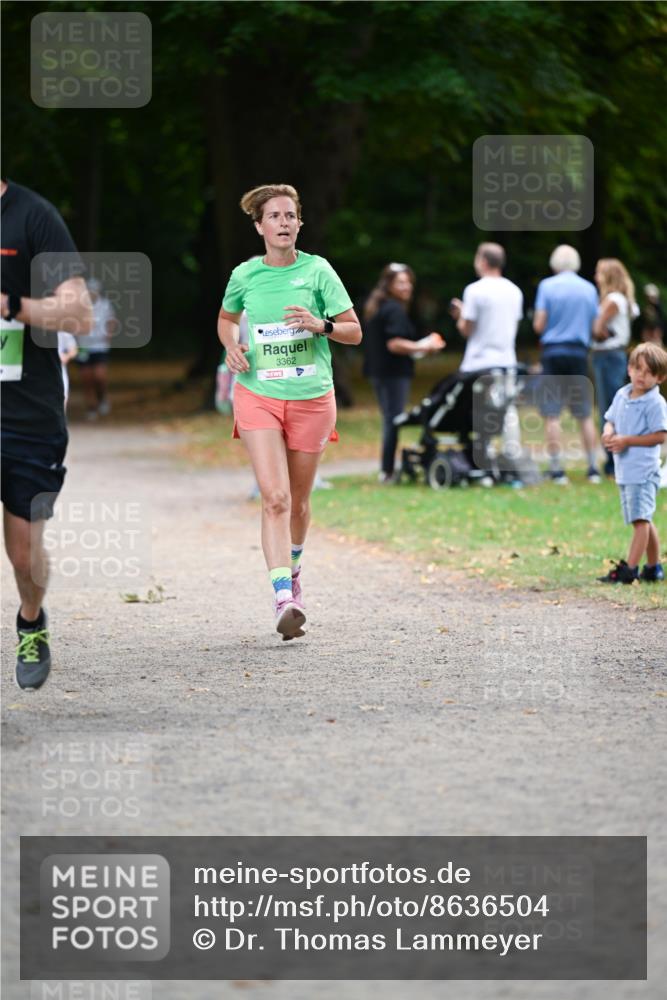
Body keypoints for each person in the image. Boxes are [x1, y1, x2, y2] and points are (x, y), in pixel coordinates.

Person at [217, 183, 361, 640]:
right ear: (259, 226)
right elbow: (225, 319)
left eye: (290, 216)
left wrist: (322, 325)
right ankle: (284, 597)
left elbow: (355, 332)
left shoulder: (318, 271)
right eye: (274, 216)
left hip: (312, 398)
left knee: (298, 501)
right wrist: (231, 347)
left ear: (299, 223)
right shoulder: (245, 275)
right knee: (274, 498)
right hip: (257, 393)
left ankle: (294, 569)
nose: (283, 223)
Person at [1, 179, 92, 690]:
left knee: (22, 553)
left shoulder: (33, 217)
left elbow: (79, 314)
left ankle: (31, 620)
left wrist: (11, 305)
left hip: (25, 417)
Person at [362, 263, 445, 482]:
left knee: (390, 418)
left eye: (408, 282)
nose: (406, 286)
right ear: (388, 285)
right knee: (393, 420)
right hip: (393, 373)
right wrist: (424, 347)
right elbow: (394, 344)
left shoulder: (379, 306)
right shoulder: (394, 309)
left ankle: (387, 469)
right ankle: (387, 471)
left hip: (379, 372)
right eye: (400, 282)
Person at [449, 242, 523, 474]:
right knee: (507, 410)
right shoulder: (514, 290)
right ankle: (513, 457)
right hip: (507, 360)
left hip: (480, 362)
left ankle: (484, 460)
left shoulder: (475, 290)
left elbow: (467, 329)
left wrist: (460, 316)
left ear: (482, 261)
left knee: (481, 413)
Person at [598, 342, 667, 584]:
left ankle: (630, 570)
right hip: (625, 471)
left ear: (660, 377)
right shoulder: (622, 395)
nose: (642, 375)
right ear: (629, 369)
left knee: (640, 521)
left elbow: (660, 435)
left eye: (649, 372)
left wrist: (627, 440)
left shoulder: (655, 403)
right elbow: (610, 420)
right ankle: (653, 567)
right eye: (638, 369)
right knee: (643, 519)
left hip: (643, 471)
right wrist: (609, 431)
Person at [533, 244, 600, 484]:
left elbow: (539, 325)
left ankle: (557, 469)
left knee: (552, 413)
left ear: (554, 264)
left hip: (552, 352)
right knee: (583, 412)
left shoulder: (547, 287)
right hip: (579, 353)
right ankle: (593, 468)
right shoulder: (589, 289)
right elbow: (595, 326)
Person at [592, 258, 638, 477]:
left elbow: (596, 327)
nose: (596, 277)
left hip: (606, 356)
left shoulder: (612, 299)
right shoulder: (626, 300)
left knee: (609, 410)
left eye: (600, 273)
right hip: (617, 355)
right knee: (618, 406)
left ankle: (613, 461)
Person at [75, 277, 115, 419]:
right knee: (86, 378)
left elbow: (111, 321)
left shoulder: (105, 305)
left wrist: (108, 335)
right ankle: (91, 407)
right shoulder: (79, 306)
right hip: (84, 346)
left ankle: (102, 398)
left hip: (99, 345)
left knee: (99, 376)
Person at [57, 331, 78, 406]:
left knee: (62, 401)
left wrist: (65, 357)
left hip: (59, 371)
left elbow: (73, 350)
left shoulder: (62, 332)